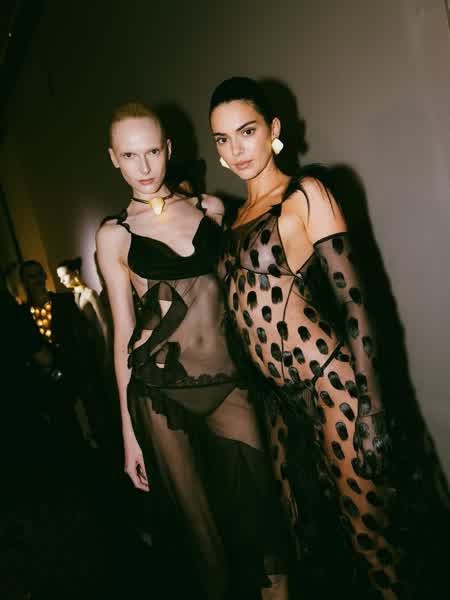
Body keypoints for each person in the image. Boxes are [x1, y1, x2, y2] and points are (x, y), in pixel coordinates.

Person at [210, 77, 405, 598]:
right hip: (280, 406)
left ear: (273, 129)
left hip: (333, 389)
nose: (236, 149)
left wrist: (373, 411)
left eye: (247, 131)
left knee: (370, 538)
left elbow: (357, 305)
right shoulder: (232, 218)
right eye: (223, 139)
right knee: (310, 541)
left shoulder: (305, 194)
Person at [95, 102, 289, 600]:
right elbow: (122, 335)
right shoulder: (114, 235)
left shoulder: (212, 210)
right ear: (114, 158)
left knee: (263, 520)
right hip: (159, 392)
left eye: (152, 152)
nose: (144, 167)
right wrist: (129, 435)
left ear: (168, 149)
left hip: (228, 382)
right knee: (203, 539)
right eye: (130, 155)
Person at [56, 256, 109, 349]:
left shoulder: (90, 294)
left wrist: (108, 352)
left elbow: (104, 324)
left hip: (98, 344)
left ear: (76, 272)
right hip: (82, 347)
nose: (61, 281)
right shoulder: (69, 298)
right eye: (60, 277)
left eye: (64, 276)